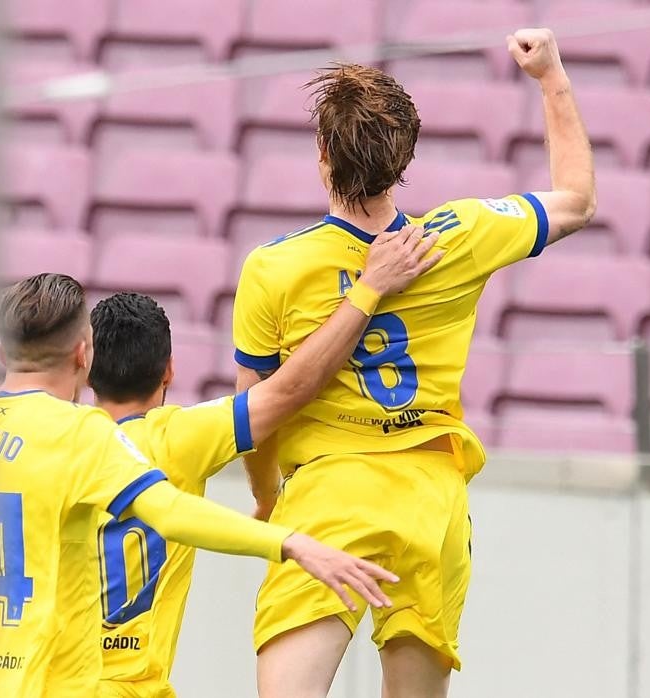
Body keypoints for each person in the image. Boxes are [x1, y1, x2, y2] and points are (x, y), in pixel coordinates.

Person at [0, 227, 442, 697]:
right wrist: (368, 290)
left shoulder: (47, 447)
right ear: (168, 370)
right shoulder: (180, 438)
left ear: (87, 361)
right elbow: (286, 392)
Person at [231, 28, 596, 698]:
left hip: (328, 496)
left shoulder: (274, 268)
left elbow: (255, 412)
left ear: (323, 157)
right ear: (405, 159)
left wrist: (263, 497)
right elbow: (575, 199)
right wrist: (551, 77)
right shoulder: (460, 236)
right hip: (431, 500)